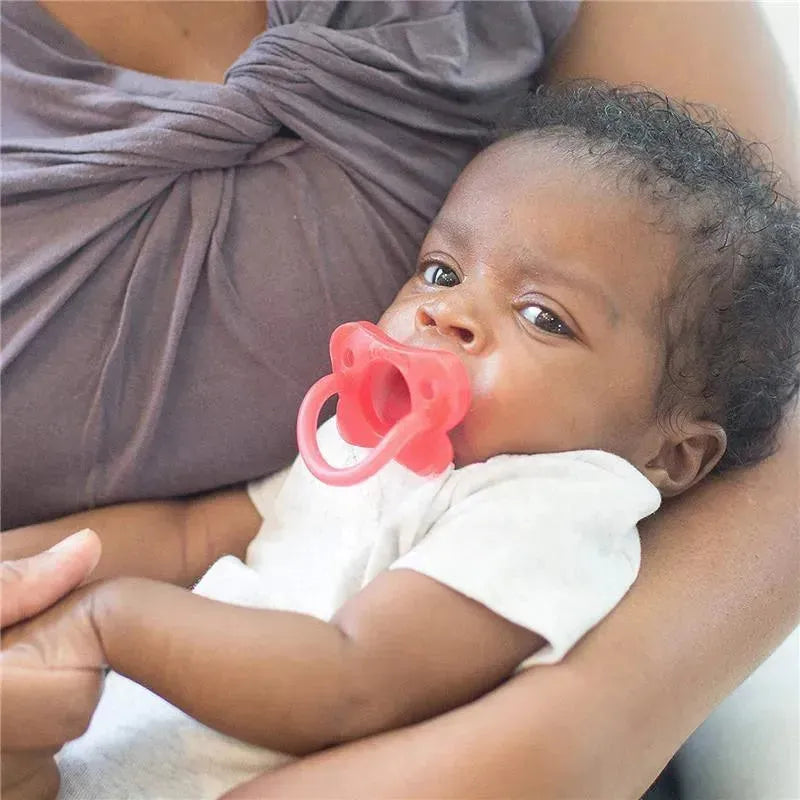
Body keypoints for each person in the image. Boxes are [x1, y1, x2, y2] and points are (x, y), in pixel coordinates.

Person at [2, 2, 798, 798]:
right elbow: (192, 536)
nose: (448, 313)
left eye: (542, 317)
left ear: (673, 453)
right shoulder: (372, 446)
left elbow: (351, 679)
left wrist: (110, 620)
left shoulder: (549, 509)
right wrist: (27, 570)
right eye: (442, 272)